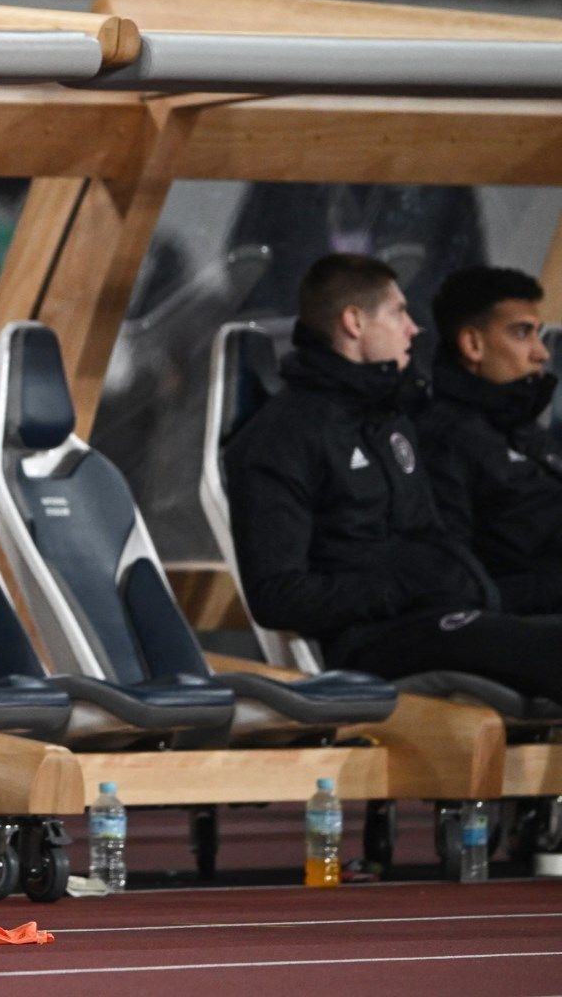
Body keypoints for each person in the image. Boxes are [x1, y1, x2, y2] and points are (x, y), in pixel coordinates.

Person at [224, 253, 562, 704]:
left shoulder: (390, 421)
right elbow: (277, 595)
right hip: (371, 641)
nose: (414, 328)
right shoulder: (280, 438)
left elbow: (434, 540)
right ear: (354, 322)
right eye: (399, 312)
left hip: (443, 613)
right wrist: (404, 584)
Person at [419, 266, 562, 613]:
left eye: (538, 335)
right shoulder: (443, 441)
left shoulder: (521, 426)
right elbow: (458, 585)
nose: (540, 353)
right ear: (472, 344)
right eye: (522, 333)